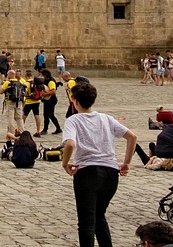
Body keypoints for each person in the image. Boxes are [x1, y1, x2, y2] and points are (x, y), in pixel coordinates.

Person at [62, 79, 136, 247]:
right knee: (99, 216)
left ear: (74, 100)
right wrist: (127, 163)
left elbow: (70, 144)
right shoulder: (106, 118)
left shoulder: (74, 120)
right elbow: (132, 137)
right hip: (110, 174)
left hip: (88, 173)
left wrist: (65, 163)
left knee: (86, 222)